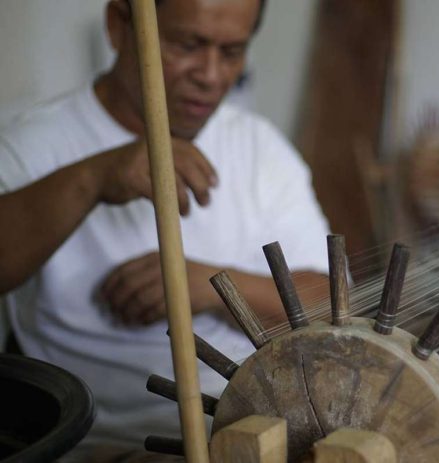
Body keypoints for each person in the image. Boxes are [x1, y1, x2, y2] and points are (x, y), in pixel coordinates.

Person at [0, 0, 330, 460]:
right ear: (119, 25)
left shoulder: (259, 147)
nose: (211, 75)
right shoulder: (30, 147)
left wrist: (211, 286)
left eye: (232, 51)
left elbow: (329, 303)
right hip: (110, 444)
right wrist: (94, 177)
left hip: (262, 426)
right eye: (188, 44)